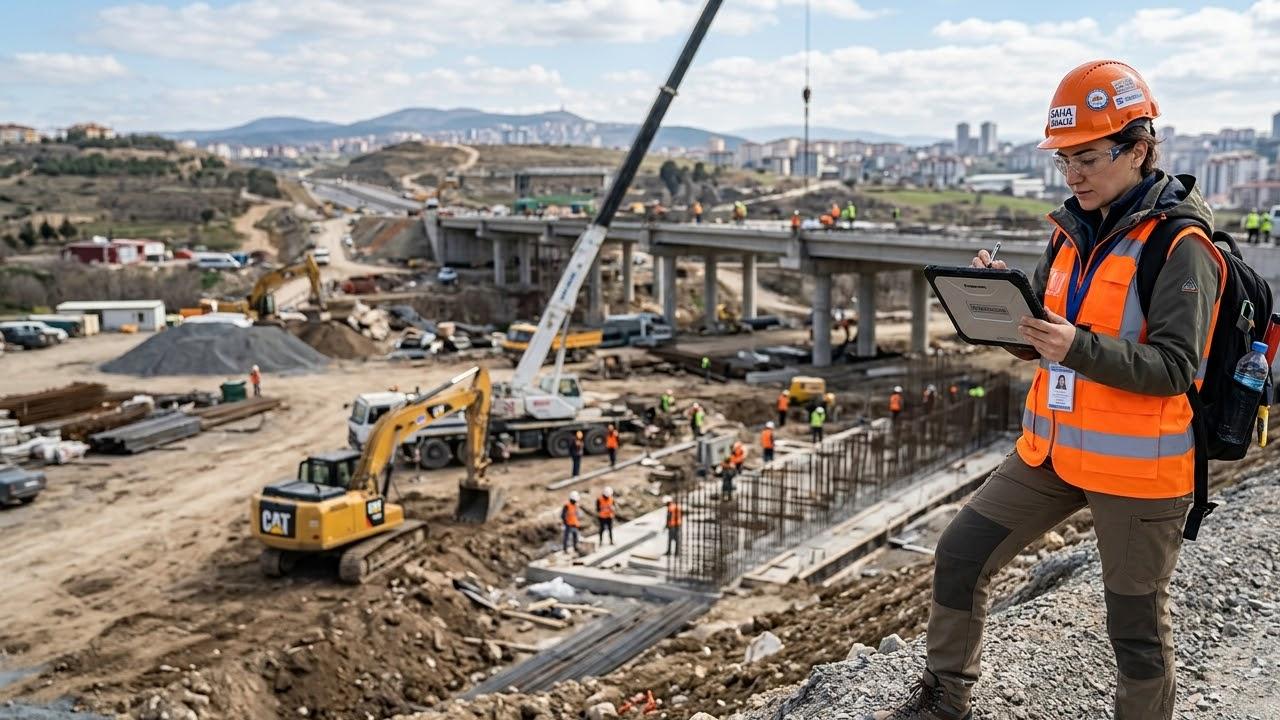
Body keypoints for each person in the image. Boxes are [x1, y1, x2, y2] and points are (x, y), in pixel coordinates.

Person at [873, 60, 1226, 720]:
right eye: (1065, 160)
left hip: (1138, 472)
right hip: (1052, 452)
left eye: (1087, 157)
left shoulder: (1181, 245)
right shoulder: (1069, 231)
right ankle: (942, 703)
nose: (1074, 175)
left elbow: (1178, 368)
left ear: (1139, 149)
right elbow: (1045, 336)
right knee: (959, 556)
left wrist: (1078, 347)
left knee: (1136, 631)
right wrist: (1003, 307)